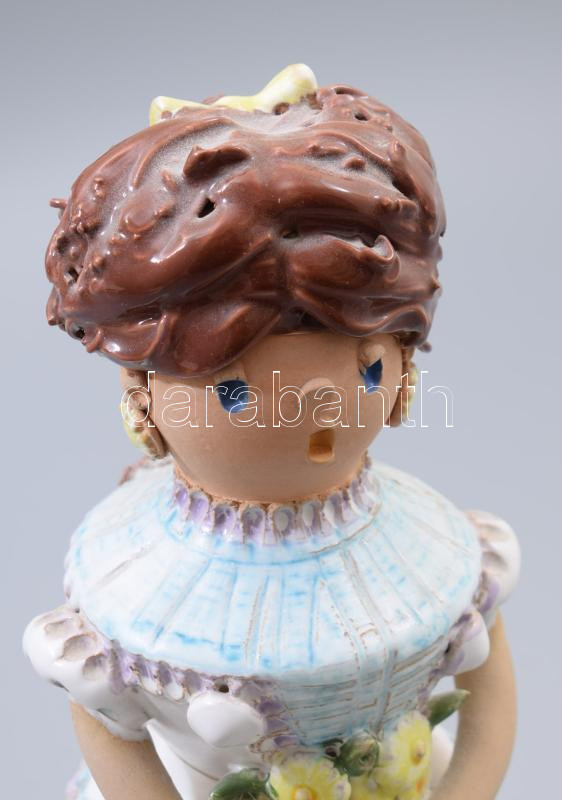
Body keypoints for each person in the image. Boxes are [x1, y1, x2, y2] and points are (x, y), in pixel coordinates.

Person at [24, 65, 520, 800]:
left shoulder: (440, 557)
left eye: (369, 369)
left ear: (405, 364)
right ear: (143, 398)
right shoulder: (129, 593)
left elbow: (490, 703)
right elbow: (108, 732)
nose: (315, 413)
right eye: (232, 390)